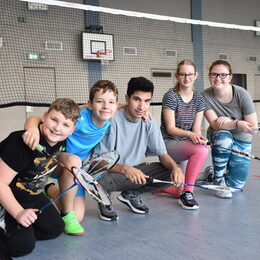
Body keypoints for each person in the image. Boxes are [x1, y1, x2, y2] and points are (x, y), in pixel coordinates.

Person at [23, 80, 118, 236]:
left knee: (79, 216)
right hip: (56, 161)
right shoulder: (79, 120)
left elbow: (122, 108)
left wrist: (144, 112)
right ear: (90, 104)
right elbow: (36, 119)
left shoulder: (109, 116)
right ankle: (67, 215)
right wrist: (32, 128)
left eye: (111, 102)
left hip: (73, 172)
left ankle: (49, 189)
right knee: (74, 161)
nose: (106, 106)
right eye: (99, 101)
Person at [93, 77, 185, 221]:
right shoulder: (110, 119)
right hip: (109, 173)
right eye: (137, 99)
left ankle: (131, 193)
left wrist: (175, 168)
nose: (142, 106)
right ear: (127, 99)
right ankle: (103, 198)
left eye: (147, 101)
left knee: (170, 170)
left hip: (132, 171)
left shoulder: (149, 123)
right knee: (100, 181)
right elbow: (99, 163)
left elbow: (163, 154)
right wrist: (125, 169)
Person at [0, 98, 80, 258]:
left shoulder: (60, 142)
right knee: (22, 246)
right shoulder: (21, 143)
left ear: (72, 130)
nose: (58, 128)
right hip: (6, 192)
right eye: (54, 119)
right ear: (44, 116)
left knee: (54, 228)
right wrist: (18, 213)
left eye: (65, 125)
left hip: (30, 194)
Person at [152, 59, 209, 210]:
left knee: (180, 188)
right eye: (182, 74)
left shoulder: (199, 98)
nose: (186, 78)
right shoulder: (171, 96)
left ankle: (163, 188)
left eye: (190, 74)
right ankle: (188, 194)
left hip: (185, 145)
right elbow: (170, 128)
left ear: (196, 75)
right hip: (167, 144)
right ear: (177, 76)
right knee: (202, 151)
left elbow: (196, 128)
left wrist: (199, 138)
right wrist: (191, 136)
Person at [202, 60, 258, 198]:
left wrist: (228, 121)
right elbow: (215, 125)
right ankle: (218, 180)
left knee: (235, 186)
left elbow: (253, 127)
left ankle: (210, 174)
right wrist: (237, 123)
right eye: (214, 74)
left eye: (223, 75)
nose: (218, 78)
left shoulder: (242, 94)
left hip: (241, 138)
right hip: (219, 135)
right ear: (209, 76)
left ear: (230, 77)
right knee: (223, 136)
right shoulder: (205, 96)